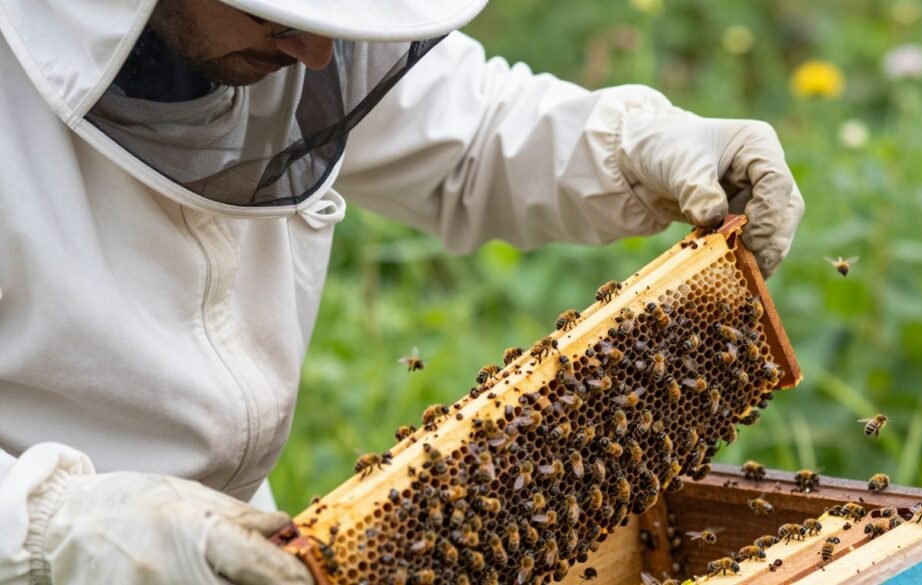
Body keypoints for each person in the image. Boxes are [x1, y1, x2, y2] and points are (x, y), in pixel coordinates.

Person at [0, 0, 804, 583]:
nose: (318, 52)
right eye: (275, 13)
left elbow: (471, 133)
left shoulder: (304, 37)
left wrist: (630, 147)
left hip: (237, 548)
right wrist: (53, 527)